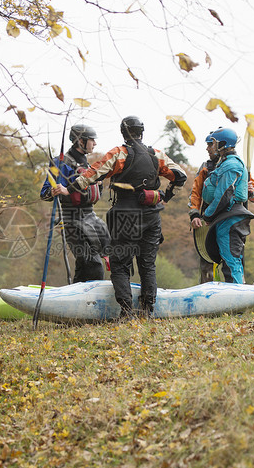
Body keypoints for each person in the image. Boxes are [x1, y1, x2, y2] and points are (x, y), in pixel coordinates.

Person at [69, 116, 187, 318]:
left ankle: (126, 311)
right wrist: (167, 195)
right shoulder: (156, 154)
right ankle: (147, 310)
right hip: (152, 214)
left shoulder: (119, 154)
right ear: (142, 131)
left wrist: (74, 186)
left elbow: (93, 174)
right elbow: (181, 175)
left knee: (120, 264)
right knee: (147, 264)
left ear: (124, 133)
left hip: (125, 214)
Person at [41, 124, 111, 283]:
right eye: (92, 140)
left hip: (90, 218)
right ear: (81, 141)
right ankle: (90, 302)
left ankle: (76, 293)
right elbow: (44, 194)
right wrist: (53, 191)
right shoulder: (60, 163)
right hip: (71, 220)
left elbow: (92, 195)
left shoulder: (87, 164)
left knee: (88, 263)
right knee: (93, 265)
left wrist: (99, 186)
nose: (95, 143)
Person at [188, 127, 254, 284]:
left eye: (212, 143)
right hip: (218, 216)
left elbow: (223, 196)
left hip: (228, 215)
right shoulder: (212, 165)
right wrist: (195, 213)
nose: (209, 147)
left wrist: (208, 215)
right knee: (214, 260)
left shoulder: (232, 165)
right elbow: (196, 192)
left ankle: (238, 299)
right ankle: (213, 296)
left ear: (222, 144)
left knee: (231, 261)